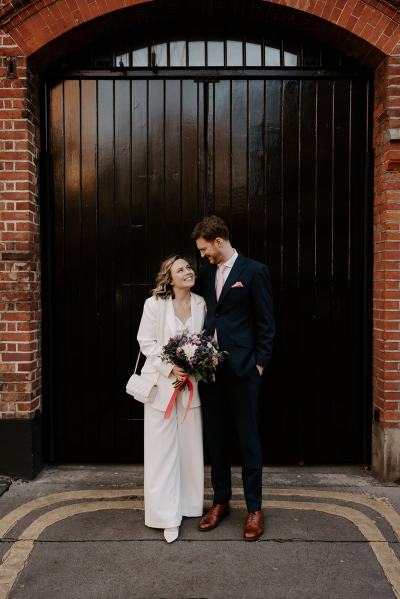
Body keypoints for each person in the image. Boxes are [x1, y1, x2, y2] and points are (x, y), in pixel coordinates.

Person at [192, 215, 275, 541]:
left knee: (248, 440)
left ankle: (254, 508)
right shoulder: (206, 272)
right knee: (216, 439)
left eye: (203, 249)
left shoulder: (254, 272)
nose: (202, 256)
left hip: (243, 371)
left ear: (218, 241)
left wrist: (259, 365)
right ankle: (221, 502)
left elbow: (266, 323)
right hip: (210, 373)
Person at [137, 255, 206, 543]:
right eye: (181, 269)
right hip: (161, 387)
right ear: (169, 277)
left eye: (189, 267)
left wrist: (199, 364)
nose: (188, 271)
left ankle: (189, 506)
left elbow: (205, 340)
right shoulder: (154, 304)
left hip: (190, 386)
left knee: (190, 450)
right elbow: (146, 342)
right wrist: (169, 367)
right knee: (161, 451)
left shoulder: (201, 303)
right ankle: (165, 515)